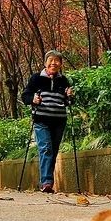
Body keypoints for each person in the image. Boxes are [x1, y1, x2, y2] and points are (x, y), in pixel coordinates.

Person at [20, 50, 74, 193]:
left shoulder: (64, 80)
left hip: (59, 121)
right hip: (41, 119)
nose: (53, 63)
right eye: (51, 60)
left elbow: (68, 102)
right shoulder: (36, 78)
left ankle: (47, 181)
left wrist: (69, 96)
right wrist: (33, 99)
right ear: (45, 63)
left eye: (57, 61)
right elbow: (25, 96)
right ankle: (46, 183)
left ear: (60, 64)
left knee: (53, 151)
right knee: (45, 149)